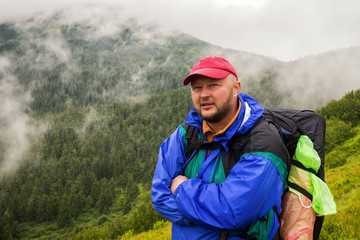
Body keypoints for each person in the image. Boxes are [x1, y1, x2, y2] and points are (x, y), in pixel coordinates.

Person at [151, 56, 290, 240]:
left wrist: (181, 187)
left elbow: (233, 212)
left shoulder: (263, 142)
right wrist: (212, 211)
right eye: (197, 87)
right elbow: (159, 197)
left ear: (236, 88)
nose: (203, 94)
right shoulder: (185, 133)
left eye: (213, 85)